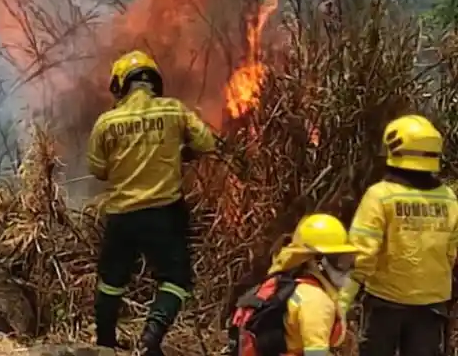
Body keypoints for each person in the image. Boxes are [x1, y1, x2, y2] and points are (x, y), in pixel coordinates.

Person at [87, 50, 218, 356]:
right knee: (175, 279)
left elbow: (98, 170)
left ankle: (105, 343)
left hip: (121, 215)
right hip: (164, 213)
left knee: (111, 280)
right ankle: (150, 341)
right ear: (154, 82)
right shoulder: (174, 111)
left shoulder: (106, 122)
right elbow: (207, 143)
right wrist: (180, 151)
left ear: (120, 85)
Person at [343, 114, 458, 356]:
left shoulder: (380, 195)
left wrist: (343, 299)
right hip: (431, 306)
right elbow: (451, 253)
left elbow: (362, 254)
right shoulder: (448, 197)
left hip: (385, 303)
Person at [228, 214, 358, 356]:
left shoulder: (293, 288)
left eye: (347, 260)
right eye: (340, 261)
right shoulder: (316, 300)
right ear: (317, 261)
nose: (347, 269)